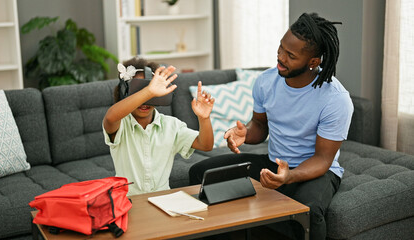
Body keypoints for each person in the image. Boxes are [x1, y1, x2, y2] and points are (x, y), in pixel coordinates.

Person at [189, 13, 353, 240]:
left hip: (316, 172)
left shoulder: (335, 99)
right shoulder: (266, 81)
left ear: (313, 62)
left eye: (290, 55)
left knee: (309, 212)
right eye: (280, 48)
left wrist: (289, 177)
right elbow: (259, 125)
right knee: (201, 173)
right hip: (275, 163)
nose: (280, 57)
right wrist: (245, 133)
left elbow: (323, 160)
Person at [103, 57, 215, 196]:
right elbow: (110, 117)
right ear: (124, 92)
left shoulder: (171, 126)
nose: (145, 102)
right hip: (127, 201)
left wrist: (204, 118)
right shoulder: (120, 124)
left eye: (153, 94)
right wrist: (149, 91)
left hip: (162, 200)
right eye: (139, 92)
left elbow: (205, 145)